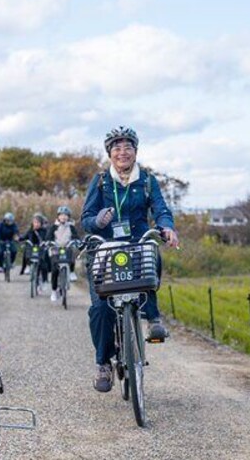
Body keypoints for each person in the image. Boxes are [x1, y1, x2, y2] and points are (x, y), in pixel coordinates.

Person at [80, 126, 179, 393]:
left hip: (136, 248)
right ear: (109, 153)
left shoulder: (147, 180)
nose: (122, 152)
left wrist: (167, 227)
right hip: (106, 251)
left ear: (136, 151)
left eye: (128, 147)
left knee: (151, 255)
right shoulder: (100, 181)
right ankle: (103, 363)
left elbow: (161, 209)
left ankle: (153, 318)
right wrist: (97, 220)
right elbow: (86, 219)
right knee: (101, 309)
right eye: (117, 148)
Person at [46, 205, 79, 301]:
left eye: (66, 215)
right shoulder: (54, 226)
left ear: (68, 217)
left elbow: (76, 236)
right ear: (58, 216)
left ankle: (72, 272)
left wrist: (76, 241)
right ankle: (53, 291)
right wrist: (48, 242)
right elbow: (48, 237)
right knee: (55, 269)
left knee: (72, 255)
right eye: (61, 215)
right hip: (56, 249)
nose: (63, 217)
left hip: (67, 247)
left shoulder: (71, 226)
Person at [19, 213, 50, 290]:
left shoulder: (44, 231)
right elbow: (24, 237)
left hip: (40, 250)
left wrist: (46, 243)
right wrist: (19, 239)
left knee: (43, 265)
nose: (36, 224)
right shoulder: (30, 231)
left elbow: (48, 238)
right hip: (32, 249)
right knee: (26, 252)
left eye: (38, 222)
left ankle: (45, 280)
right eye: (34, 222)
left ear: (41, 223)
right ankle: (28, 266)